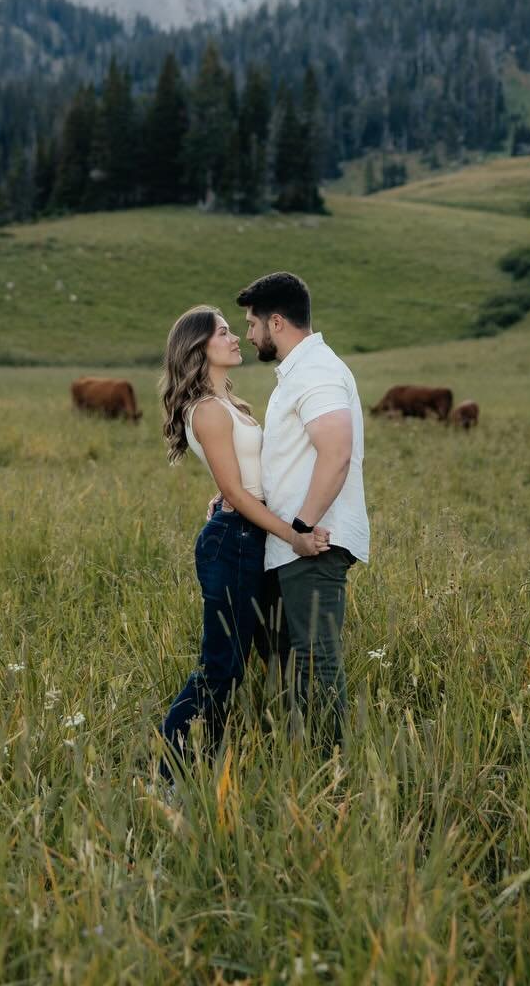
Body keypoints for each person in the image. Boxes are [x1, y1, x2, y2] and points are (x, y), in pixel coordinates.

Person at [158, 306, 331, 775]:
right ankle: (170, 771)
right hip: (233, 541)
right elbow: (236, 492)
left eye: (233, 331)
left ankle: (272, 752)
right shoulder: (208, 411)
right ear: (198, 347)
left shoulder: (230, 405)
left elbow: (240, 480)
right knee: (222, 667)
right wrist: (294, 536)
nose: (235, 337)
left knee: (266, 656)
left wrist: (234, 496)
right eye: (223, 332)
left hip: (249, 534)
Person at [237, 271, 369, 750]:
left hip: (314, 543)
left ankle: (332, 767)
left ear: (276, 322)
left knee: (317, 660)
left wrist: (301, 528)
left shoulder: (316, 371)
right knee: (292, 658)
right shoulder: (300, 372)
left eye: (252, 324)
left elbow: (336, 451)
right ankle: (300, 755)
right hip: (294, 544)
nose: (248, 335)